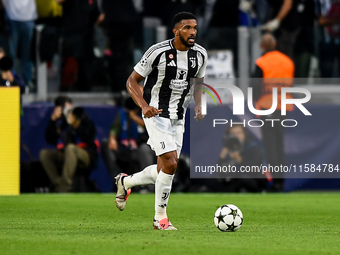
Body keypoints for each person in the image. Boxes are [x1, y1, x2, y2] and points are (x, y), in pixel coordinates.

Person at [114, 12, 207, 230]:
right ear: (176, 31)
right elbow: (132, 80)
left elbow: (199, 83)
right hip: (156, 114)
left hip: (179, 116)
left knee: (163, 170)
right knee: (172, 163)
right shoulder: (158, 52)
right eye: (187, 28)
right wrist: (144, 106)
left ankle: (124, 182)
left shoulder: (201, 54)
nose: (192, 32)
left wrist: (199, 104)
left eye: (194, 27)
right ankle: (160, 218)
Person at [251, 33, 294, 192]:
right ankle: (280, 181)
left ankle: (276, 183)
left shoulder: (262, 62)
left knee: (270, 145)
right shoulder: (287, 61)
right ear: (275, 44)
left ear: (262, 46)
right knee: (279, 144)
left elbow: (254, 86)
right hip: (284, 106)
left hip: (267, 105)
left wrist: (255, 101)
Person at [40, 105, 98, 192]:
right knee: (45, 154)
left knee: (71, 148)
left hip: (86, 155)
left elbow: (88, 138)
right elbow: (50, 139)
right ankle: (58, 184)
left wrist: (76, 126)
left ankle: (65, 187)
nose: (69, 113)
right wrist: (53, 120)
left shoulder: (86, 121)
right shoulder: (64, 124)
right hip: (67, 154)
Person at [101, 96, 155, 181]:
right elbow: (115, 127)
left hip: (140, 147)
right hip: (125, 147)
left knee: (144, 150)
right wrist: (112, 138)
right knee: (106, 144)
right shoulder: (122, 113)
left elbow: (150, 127)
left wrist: (134, 118)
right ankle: (118, 182)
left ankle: (148, 185)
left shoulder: (146, 110)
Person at [218, 124, 267, 192]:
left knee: (242, 179)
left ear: (244, 134)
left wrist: (238, 159)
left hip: (255, 181)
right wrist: (223, 154)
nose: (236, 136)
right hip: (234, 181)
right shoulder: (230, 148)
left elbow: (252, 170)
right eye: (233, 134)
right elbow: (219, 172)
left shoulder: (253, 148)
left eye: (239, 133)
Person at [2, 0, 37, 86]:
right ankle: (9, 80)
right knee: (10, 53)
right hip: (12, 17)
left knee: (27, 54)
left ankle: (26, 82)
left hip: (29, 17)